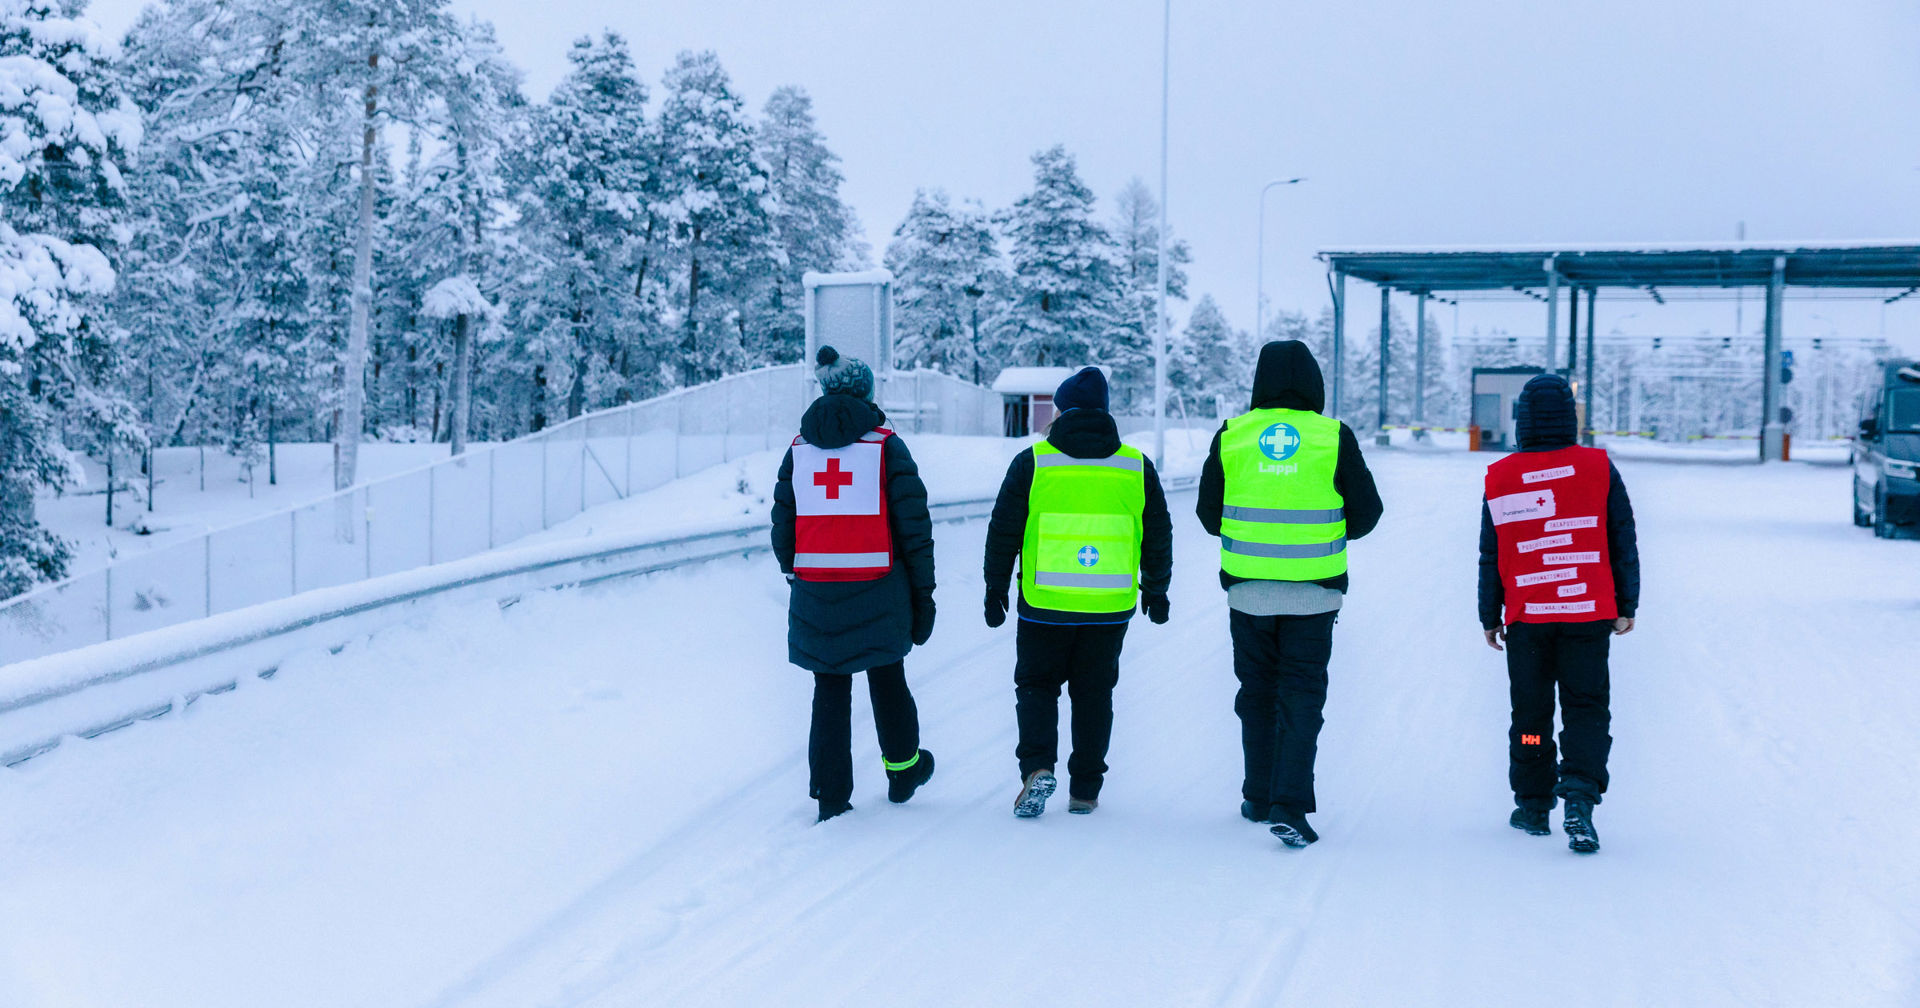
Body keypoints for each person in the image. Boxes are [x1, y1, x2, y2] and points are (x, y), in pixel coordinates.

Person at [1197, 340, 1382, 848]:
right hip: (1313, 596)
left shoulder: (1233, 435)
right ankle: (1290, 805)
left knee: (1255, 694)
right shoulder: (1332, 436)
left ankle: (1257, 795)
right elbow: (1368, 513)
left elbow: (1207, 514)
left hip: (1248, 592)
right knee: (1300, 696)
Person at [983, 367, 1174, 817]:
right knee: (1094, 693)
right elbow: (1158, 533)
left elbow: (1003, 531)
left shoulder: (1034, 462)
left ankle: (1036, 768)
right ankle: (1085, 790)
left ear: (1060, 411)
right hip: (1108, 607)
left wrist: (995, 590)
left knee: (1036, 685)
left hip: (1044, 604)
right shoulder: (1135, 465)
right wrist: (1157, 588)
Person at [771, 346, 937, 822]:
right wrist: (923, 594)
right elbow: (914, 527)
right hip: (881, 588)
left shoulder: (798, 449)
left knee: (829, 688)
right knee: (887, 678)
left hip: (816, 589)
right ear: (867, 393)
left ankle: (830, 793)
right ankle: (903, 770)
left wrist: (795, 570)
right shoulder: (886, 445)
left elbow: (784, 519)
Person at [1479, 373, 1639, 854]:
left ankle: (1531, 805)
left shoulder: (1502, 476)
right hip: (1588, 614)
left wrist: (1490, 614)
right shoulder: (1598, 468)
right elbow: (1621, 538)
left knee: (1530, 712)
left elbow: (1492, 552)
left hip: (1528, 617)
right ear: (1571, 420)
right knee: (1586, 707)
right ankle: (1580, 796)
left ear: (1521, 421)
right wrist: (1626, 605)